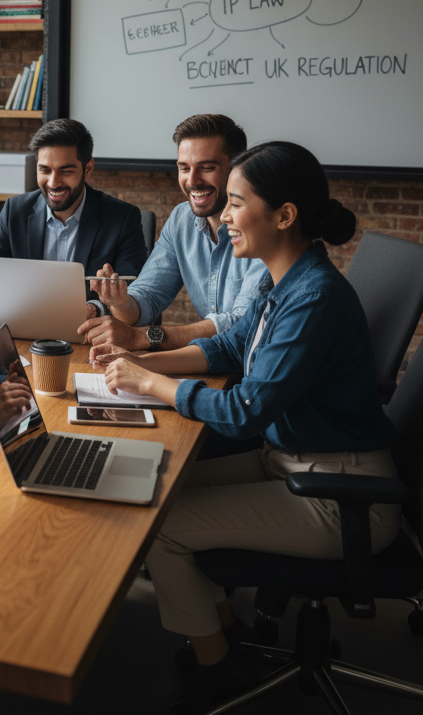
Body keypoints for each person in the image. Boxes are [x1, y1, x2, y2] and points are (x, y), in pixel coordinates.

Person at [90, 141, 398, 712]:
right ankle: (227, 628)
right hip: (294, 463)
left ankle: (221, 668)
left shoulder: (314, 299)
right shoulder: (282, 280)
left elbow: (245, 410)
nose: (224, 216)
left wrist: (151, 385)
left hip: (341, 493)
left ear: (284, 216)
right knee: (152, 487)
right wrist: (135, 366)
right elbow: (228, 348)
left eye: (235, 203)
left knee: (164, 524)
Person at [78, 114, 266, 351]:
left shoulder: (262, 226)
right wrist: (121, 302)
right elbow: (149, 295)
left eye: (207, 167)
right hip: (216, 360)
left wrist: (142, 337)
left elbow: (243, 326)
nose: (193, 181)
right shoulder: (181, 219)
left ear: (238, 167)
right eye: (184, 168)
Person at [0, 117, 147, 317]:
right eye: (44, 170)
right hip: (25, 323)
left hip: (87, 332)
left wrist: (96, 308)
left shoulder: (122, 219)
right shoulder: (14, 211)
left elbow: (134, 291)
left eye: (65, 171)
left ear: (87, 169)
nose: (53, 183)